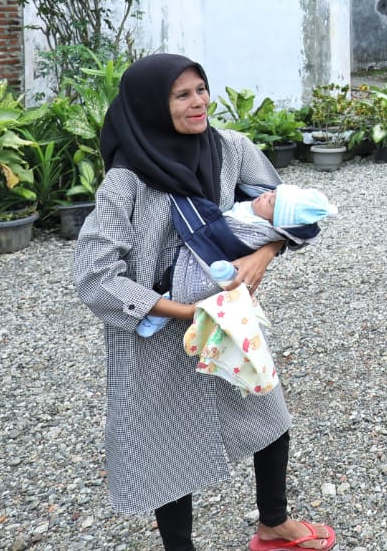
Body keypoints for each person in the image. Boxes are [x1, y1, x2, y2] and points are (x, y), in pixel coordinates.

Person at [73, 53, 335, 551]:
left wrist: (264, 254)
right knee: (168, 446)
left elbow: (287, 206)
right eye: (182, 95)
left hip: (228, 316)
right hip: (160, 328)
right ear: (151, 105)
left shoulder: (229, 148)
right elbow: (94, 277)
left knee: (269, 413)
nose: (199, 103)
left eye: (202, 89)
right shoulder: (126, 181)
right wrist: (186, 312)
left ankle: (273, 525)